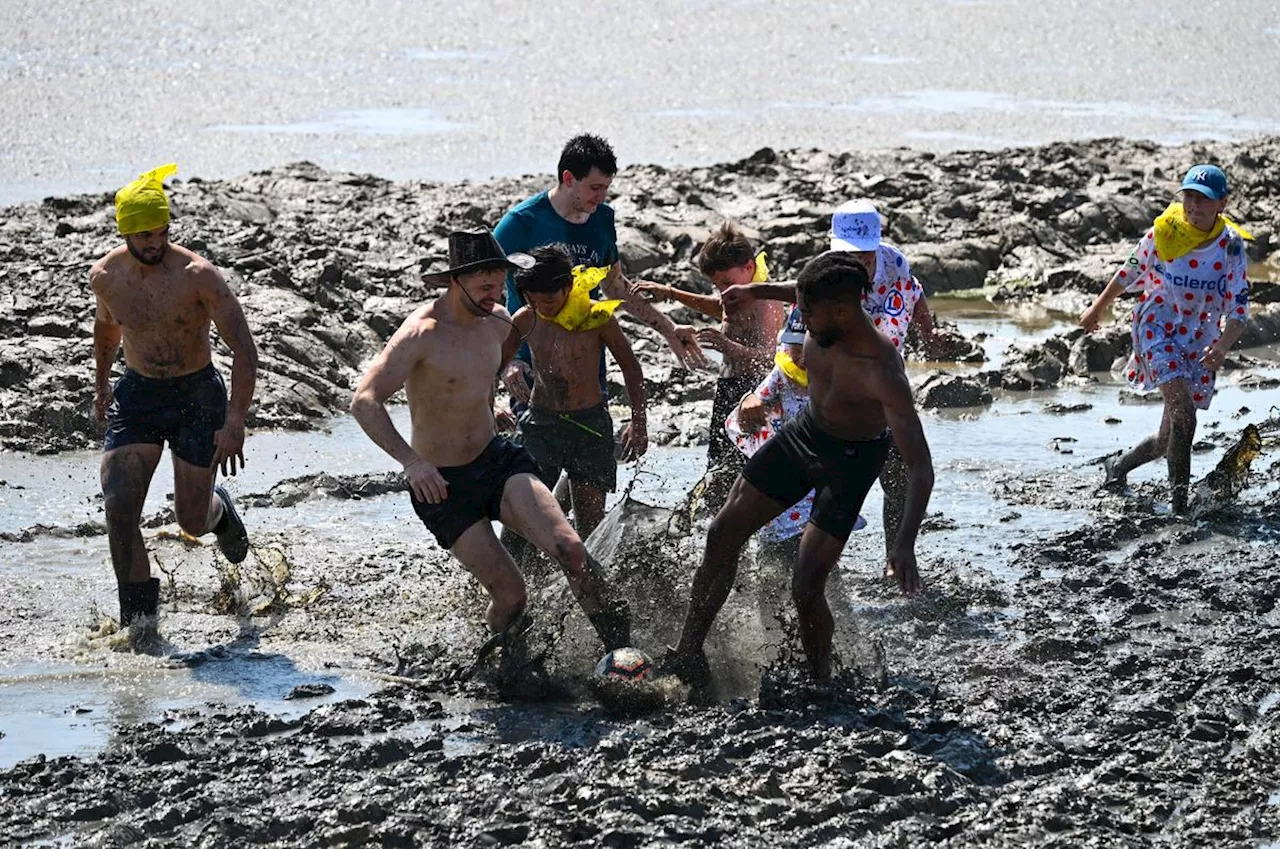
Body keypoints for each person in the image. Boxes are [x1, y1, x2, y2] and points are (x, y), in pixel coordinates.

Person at [350, 229, 632, 668]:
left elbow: (487, 373)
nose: (496, 295)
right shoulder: (421, 334)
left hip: (496, 461)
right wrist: (412, 463)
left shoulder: (499, 320)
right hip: (442, 484)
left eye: (500, 284)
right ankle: (503, 661)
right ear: (455, 281)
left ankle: (622, 651)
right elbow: (364, 401)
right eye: (486, 286)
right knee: (512, 595)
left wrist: (493, 402)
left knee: (570, 549)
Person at [664, 252, 934, 685]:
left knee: (805, 587)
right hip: (805, 434)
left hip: (850, 463)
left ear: (843, 311)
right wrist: (754, 290)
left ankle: (821, 681)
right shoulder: (825, 308)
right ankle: (689, 654)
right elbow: (802, 292)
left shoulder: (881, 370)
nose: (800, 318)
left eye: (807, 313)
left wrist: (903, 545)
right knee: (722, 533)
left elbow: (921, 467)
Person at [91, 164, 258, 628]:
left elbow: (243, 349)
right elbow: (106, 329)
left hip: (196, 396)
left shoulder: (198, 275)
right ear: (124, 231)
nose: (153, 243)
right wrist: (103, 384)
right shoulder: (105, 277)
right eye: (143, 234)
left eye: (161, 231)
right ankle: (140, 626)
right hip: (139, 394)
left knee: (190, 520)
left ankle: (219, 512)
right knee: (119, 505)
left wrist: (235, 420)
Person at [1079, 164, 1251, 514]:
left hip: (1199, 338)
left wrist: (1221, 346)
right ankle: (1180, 507)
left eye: (1203, 199)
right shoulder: (1165, 232)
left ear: (1222, 203)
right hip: (1156, 325)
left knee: (1167, 437)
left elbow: (1239, 307)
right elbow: (1128, 271)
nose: (1193, 206)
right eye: (1189, 196)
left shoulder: (1230, 246)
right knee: (1185, 415)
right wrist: (1097, 308)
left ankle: (1118, 467)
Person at [496, 133, 708, 397]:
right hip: (531, 362)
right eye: (595, 187)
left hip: (587, 360)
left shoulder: (602, 218)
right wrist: (507, 360)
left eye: (607, 187)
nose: (602, 196)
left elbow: (615, 286)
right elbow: (484, 292)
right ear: (568, 179)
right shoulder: (520, 223)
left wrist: (670, 329)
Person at [633, 223, 785, 512]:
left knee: (746, 473)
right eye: (717, 285)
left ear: (750, 267)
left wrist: (727, 347)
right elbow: (719, 308)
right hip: (728, 390)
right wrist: (671, 293)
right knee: (718, 467)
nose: (723, 292)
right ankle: (713, 533)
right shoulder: (738, 293)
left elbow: (770, 360)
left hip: (754, 395)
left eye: (727, 283)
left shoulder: (766, 303)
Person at [506, 245, 649, 541]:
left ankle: (586, 583)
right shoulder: (525, 318)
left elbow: (632, 369)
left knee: (590, 529)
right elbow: (496, 361)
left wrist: (639, 423)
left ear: (568, 286)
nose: (543, 307)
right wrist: (507, 370)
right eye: (534, 300)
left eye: (549, 299)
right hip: (541, 424)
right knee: (519, 522)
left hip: (589, 425)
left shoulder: (597, 318)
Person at [828, 199, 940, 561]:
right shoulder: (826, 273)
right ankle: (826, 562)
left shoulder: (893, 263)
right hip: (840, 387)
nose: (856, 263)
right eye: (849, 254)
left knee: (899, 479)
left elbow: (915, 290)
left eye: (864, 255)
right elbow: (799, 336)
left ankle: (896, 556)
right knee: (834, 485)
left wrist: (929, 331)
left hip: (885, 382)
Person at [725, 307, 866, 570]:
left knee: (819, 567)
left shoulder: (842, 380)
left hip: (821, 489)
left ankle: (831, 604)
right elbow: (752, 405)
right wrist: (749, 400)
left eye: (808, 347)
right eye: (794, 347)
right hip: (781, 483)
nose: (801, 356)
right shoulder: (783, 375)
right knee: (772, 561)